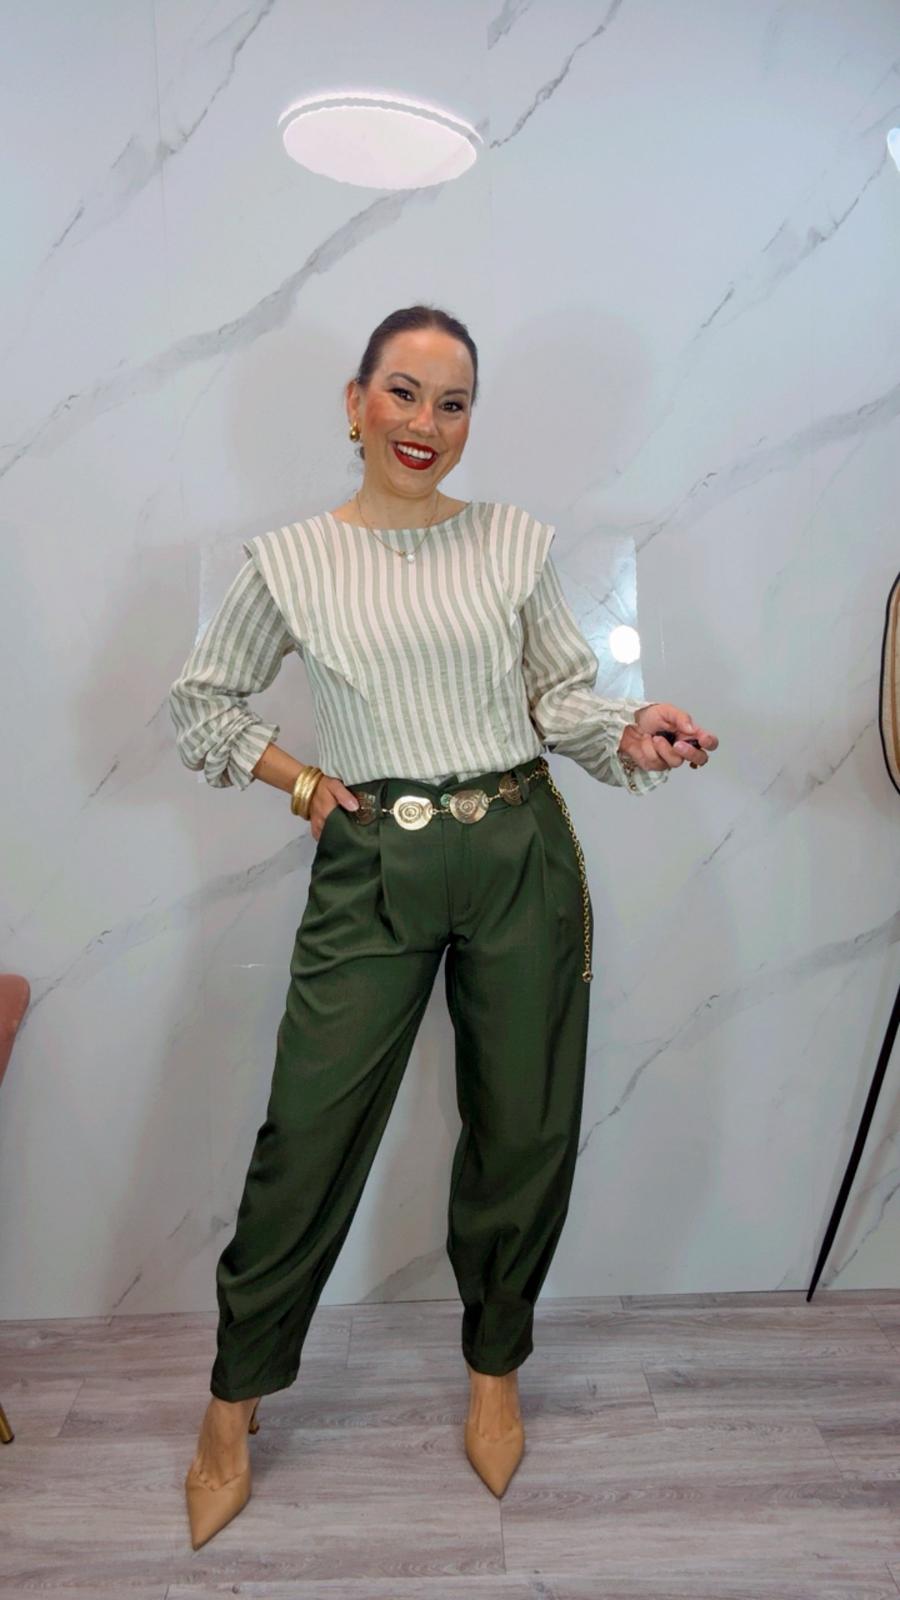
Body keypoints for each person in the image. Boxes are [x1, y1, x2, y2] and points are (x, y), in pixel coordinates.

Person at [168, 304, 717, 1549]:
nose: (427, 423)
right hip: (373, 861)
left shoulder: (514, 540)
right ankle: (230, 1402)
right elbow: (202, 702)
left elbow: (561, 699)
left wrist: (629, 730)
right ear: (356, 402)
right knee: (307, 1133)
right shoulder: (292, 559)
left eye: (454, 402)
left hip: (520, 848)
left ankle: (494, 1368)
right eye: (405, 393)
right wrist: (304, 782)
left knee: (524, 1123)